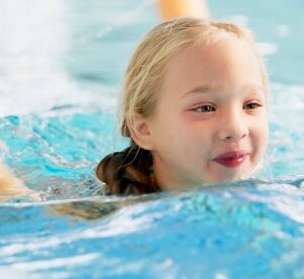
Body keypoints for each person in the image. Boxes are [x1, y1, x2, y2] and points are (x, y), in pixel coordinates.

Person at [95, 17, 269, 195]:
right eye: (205, 108)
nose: (237, 129)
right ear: (144, 129)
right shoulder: (103, 218)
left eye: (251, 105)